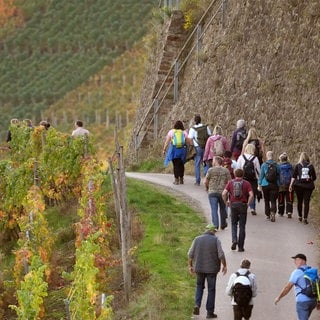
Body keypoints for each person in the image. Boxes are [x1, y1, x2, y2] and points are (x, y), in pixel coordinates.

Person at [188, 223, 227, 319]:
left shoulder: (197, 239)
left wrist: (190, 266)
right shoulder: (216, 240)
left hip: (199, 268)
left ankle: (197, 305)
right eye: (214, 231)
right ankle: (210, 313)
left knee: (199, 286)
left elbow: (190, 254)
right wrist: (224, 265)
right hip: (212, 270)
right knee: (211, 289)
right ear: (212, 231)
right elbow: (221, 255)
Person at [274, 253, 318, 320]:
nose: (295, 262)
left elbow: (288, 287)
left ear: (303, 261)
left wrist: (279, 297)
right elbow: (318, 285)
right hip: (313, 301)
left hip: (302, 301)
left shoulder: (297, 272)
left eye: (297, 260)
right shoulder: (313, 271)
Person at [222, 169, 254, 252]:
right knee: (242, 226)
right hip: (243, 205)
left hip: (233, 205)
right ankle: (240, 247)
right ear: (243, 175)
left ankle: (234, 240)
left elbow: (224, 193)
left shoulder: (230, 182)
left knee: (233, 224)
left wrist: (226, 202)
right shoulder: (246, 183)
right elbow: (251, 195)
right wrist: (248, 204)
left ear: (234, 174)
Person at [204, 156, 231, 230]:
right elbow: (229, 182)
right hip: (222, 192)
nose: (212, 162)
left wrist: (207, 188)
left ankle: (215, 225)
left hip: (212, 192)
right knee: (222, 208)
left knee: (214, 209)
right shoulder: (226, 171)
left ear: (216, 161)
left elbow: (206, 181)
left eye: (213, 161)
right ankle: (223, 223)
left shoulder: (210, 170)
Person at [289, 152, 316, 224]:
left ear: (300, 158)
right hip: (308, 187)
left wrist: (291, 185)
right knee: (306, 202)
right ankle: (305, 218)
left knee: (299, 201)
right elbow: (314, 177)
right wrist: (309, 180)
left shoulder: (298, 165)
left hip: (299, 186)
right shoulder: (311, 166)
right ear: (307, 158)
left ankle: (300, 216)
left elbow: (294, 176)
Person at [237, 144, 261, 216]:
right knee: (252, 193)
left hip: (243, 178)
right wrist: (259, 179)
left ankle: (243, 207)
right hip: (253, 179)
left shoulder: (241, 157)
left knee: (243, 193)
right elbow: (258, 170)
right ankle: (252, 208)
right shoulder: (255, 158)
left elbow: (238, 168)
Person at [163, 120, 189, 185]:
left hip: (174, 150)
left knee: (175, 165)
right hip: (182, 150)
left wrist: (164, 149)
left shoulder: (171, 132)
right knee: (181, 164)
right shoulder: (184, 132)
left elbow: (167, 142)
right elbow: (188, 141)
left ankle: (176, 180)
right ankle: (181, 179)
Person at [188, 114, 211, 185]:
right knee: (206, 162)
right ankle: (207, 178)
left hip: (197, 148)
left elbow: (190, 139)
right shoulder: (205, 127)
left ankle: (198, 181)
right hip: (205, 147)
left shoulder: (192, 129)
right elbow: (210, 135)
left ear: (194, 121)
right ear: (200, 120)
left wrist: (192, 146)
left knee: (197, 164)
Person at [258, 151, 280, 222]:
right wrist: (279, 184)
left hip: (265, 184)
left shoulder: (264, 165)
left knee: (266, 200)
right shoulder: (277, 165)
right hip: (274, 184)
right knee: (273, 200)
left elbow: (261, 175)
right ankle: (273, 212)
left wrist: (259, 184)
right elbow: (279, 175)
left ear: (267, 156)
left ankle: (267, 214)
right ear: (273, 156)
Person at [278, 152, 294, 218]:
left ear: (280, 159)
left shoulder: (278, 167)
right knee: (289, 198)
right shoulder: (291, 166)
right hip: (289, 185)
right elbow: (293, 176)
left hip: (280, 186)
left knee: (281, 199)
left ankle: (281, 212)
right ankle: (289, 212)